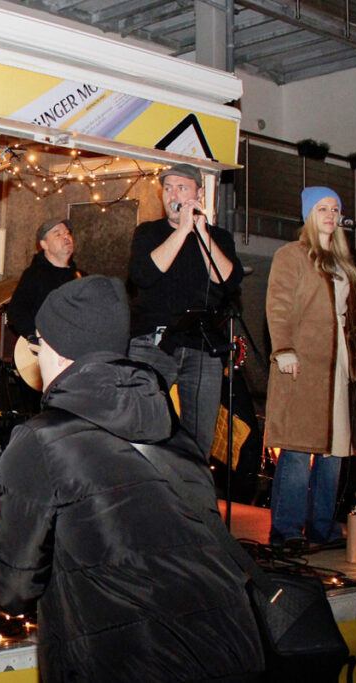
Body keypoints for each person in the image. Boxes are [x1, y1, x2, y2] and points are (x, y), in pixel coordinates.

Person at [0, 275, 263, 682]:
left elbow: (12, 592)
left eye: (39, 343)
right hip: (231, 650)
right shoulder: (172, 428)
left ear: (58, 352)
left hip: (130, 663)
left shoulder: (39, 440)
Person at [265, 186, 356, 551]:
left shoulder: (343, 260)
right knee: (297, 446)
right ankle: (287, 529)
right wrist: (284, 349)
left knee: (334, 447)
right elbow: (277, 304)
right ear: (309, 214)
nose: (330, 214)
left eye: (335, 208)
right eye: (322, 208)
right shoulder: (291, 255)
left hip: (336, 363)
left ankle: (321, 527)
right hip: (302, 361)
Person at [127, 163, 243, 461]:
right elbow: (144, 275)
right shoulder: (149, 232)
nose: (172, 194)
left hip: (203, 348)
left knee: (197, 441)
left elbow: (227, 281)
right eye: (167, 188)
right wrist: (181, 230)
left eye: (181, 188)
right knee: (143, 427)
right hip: (154, 344)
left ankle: (190, 504)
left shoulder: (218, 237)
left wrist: (202, 233)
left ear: (199, 193)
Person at [5, 218, 81, 340]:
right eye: (58, 234)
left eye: (67, 233)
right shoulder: (34, 275)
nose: (66, 237)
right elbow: (16, 312)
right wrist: (35, 336)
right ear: (44, 244)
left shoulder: (80, 277)